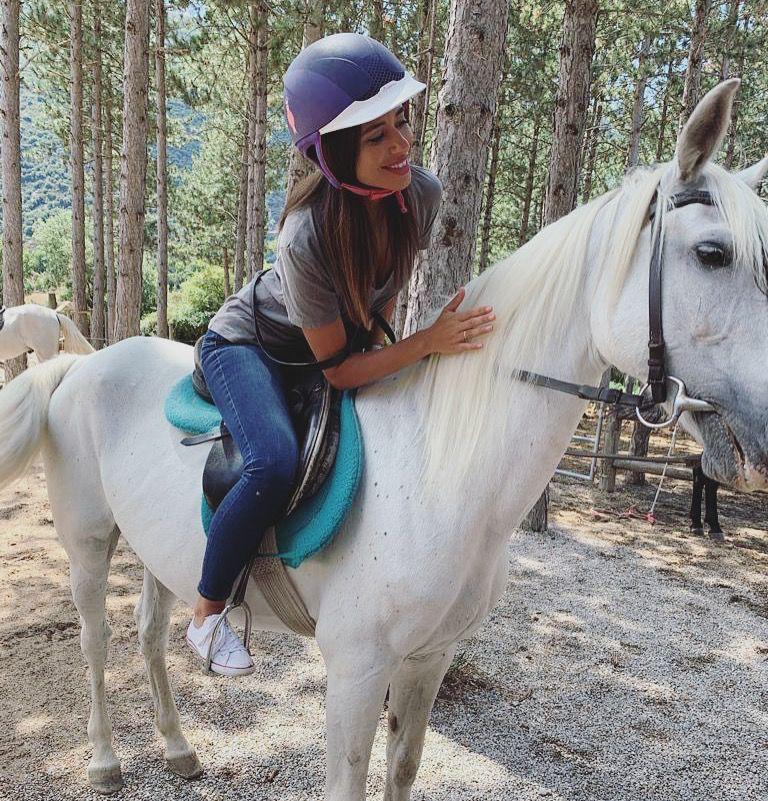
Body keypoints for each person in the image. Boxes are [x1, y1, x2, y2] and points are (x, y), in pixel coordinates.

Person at [185, 32, 496, 676]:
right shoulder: (304, 235)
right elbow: (337, 369)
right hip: (254, 347)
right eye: (375, 136)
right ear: (331, 151)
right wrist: (426, 343)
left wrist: (395, 341)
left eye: (400, 123)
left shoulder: (422, 197)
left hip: (334, 342)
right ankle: (207, 614)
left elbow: (379, 297)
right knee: (271, 462)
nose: (402, 145)